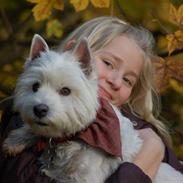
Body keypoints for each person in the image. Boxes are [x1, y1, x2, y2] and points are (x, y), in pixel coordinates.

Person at [0, 16, 182, 183]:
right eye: (108, 63)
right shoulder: (22, 118)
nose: (115, 81)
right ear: (78, 56)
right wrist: (145, 159)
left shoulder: (140, 130)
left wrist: (156, 145)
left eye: (128, 80)